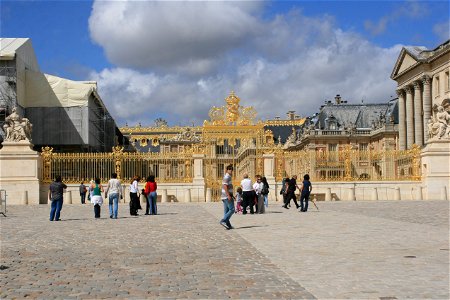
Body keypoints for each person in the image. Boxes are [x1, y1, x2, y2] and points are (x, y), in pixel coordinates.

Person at [219, 165, 235, 229]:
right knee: (232, 209)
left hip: (225, 196)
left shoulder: (228, 176)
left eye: (231, 169)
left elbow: (228, 187)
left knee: (226, 211)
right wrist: (228, 195)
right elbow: (225, 186)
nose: (231, 170)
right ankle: (223, 221)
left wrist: (232, 195)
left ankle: (228, 225)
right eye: (229, 169)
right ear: (227, 170)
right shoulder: (227, 177)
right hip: (226, 196)